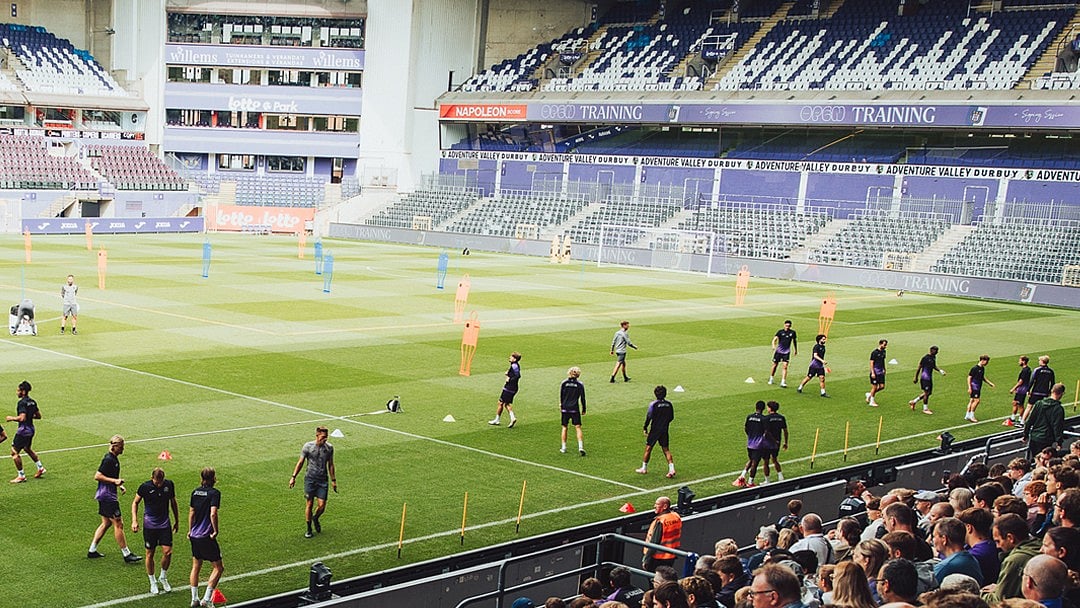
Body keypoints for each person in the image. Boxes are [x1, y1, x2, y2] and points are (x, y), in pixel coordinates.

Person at [88, 434, 142, 563]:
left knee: (106, 523)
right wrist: (115, 481)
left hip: (105, 494)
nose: (123, 449)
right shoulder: (109, 460)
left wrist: (119, 485)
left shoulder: (113, 458)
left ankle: (92, 550)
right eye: (122, 447)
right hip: (107, 497)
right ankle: (126, 554)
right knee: (118, 524)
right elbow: (97, 476)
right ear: (116, 447)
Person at [132, 467, 180, 595]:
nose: (159, 484)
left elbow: (173, 502)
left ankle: (163, 577)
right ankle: (152, 581)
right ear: (152, 478)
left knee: (168, 552)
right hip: (150, 525)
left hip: (164, 523)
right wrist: (134, 520)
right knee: (150, 554)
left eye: (161, 481)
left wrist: (177, 520)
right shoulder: (145, 487)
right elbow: (135, 503)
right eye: (157, 481)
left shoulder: (169, 485)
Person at [289, 426, 337, 539]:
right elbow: (300, 462)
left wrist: (333, 480)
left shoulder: (329, 448)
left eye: (326, 437)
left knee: (322, 505)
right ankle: (309, 528)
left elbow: (330, 464)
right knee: (309, 504)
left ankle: (315, 518)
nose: (325, 439)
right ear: (317, 435)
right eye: (323, 437)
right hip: (310, 479)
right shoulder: (308, 447)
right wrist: (293, 477)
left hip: (322, 480)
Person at [982, 513, 1042, 604]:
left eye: (998, 541)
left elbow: (1000, 600)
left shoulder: (1014, 560)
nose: (997, 546)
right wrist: (999, 587)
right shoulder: (1038, 546)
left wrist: (980, 594)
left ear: (1010, 538)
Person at [189, 467, 223, 608]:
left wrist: (190, 531)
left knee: (196, 565)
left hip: (194, 535)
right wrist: (215, 531)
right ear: (213, 478)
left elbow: (192, 513)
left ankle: (194, 599)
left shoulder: (195, 492)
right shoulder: (214, 493)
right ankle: (207, 599)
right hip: (206, 536)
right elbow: (213, 513)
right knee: (218, 567)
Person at [6, 380, 45, 483]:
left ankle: (21, 475)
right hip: (31, 429)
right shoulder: (32, 402)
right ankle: (40, 467)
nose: (17, 392)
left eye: (18, 390)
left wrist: (11, 418)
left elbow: (22, 418)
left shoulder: (21, 403)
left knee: (14, 453)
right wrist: (29, 416)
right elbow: (38, 416)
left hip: (23, 430)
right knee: (27, 448)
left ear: (23, 391)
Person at [637, 385, 676, 478]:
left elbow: (649, 416)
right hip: (664, 429)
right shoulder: (669, 404)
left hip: (655, 430)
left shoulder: (653, 404)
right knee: (666, 449)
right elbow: (671, 417)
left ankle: (644, 468)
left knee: (648, 448)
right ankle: (672, 469)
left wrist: (645, 427)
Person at [932, 517, 984, 585]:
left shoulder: (945, 567)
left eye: (934, 536)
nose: (933, 540)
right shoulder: (971, 559)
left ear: (944, 539)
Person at [1024, 384, 1066, 461]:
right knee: (1044, 460)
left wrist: (1025, 434)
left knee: (1036, 459)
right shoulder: (1058, 409)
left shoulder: (1039, 403)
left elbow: (1029, 420)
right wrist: (1059, 442)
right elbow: (1057, 426)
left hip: (1035, 437)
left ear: (1051, 391)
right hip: (1046, 438)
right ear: (1062, 393)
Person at [734, 400, 768, 488]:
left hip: (750, 443)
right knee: (755, 463)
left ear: (756, 407)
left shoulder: (749, 417)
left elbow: (745, 428)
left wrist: (750, 436)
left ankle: (741, 477)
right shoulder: (764, 419)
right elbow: (766, 432)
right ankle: (750, 482)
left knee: (751, 460)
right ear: (763, 408)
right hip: (759, 445)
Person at [643, 496, 682, 572]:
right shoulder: (676, 517)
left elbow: (654, 543)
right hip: (671, 557)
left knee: (655, 580)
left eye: (657, 504)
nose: (654, 506)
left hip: (657, 558)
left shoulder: (661, 521)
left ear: (665, 506)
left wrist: (646, 560)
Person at [909, 345, 945, 415]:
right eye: (936, 351)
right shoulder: (925, 358)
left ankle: (914, 401)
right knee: (926, 393)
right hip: (925, 378)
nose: (937, 352)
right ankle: (925, 409)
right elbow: (919, 367)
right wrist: (916, 377)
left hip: (929, 378)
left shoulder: (933, 357)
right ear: (931, 350)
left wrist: (940, 370)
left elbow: (933, 366)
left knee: (929, 393)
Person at [489, 352, 522, 428]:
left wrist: (509, 379)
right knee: (506, 403)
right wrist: (508, 373)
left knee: (501, 402)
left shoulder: (514, 366)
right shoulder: (514, 366)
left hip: (509, 387)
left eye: (511, 357)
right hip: (513, 388)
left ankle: (498, 419)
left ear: (515, 359)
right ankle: (509, 418)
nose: (509, 357)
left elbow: (517, 376)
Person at [559, 366, 587, 456]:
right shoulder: (580, 385)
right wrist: (584, 409)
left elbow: (561, 396)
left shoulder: (564, 383)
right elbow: (583, 398)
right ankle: (580, 447)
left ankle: (563, 447)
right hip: (574, 409)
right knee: (578, 427)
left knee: (564, 427)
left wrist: (561, 405)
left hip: (565, 408)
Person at [763, 401, 788, 484]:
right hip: (777, 442)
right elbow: (785, 431)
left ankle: (767, 480)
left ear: (770, 408)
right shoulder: (781, 417)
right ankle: (780, 476)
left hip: (767, 442)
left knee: (766, 461)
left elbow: (766, 432)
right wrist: (785, 442)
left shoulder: (766, 418)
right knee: (774, 459)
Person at [964, 355, 995, 423]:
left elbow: (982, 377)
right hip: (974, 386)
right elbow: (969, 378)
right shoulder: (975, 368)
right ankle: (971, 416)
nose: (987, 363)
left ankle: (967, 415)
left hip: (978, 387)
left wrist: (989, 383)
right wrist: (969, 387)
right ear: (982, 360)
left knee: (972, 400)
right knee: (977, 401)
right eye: (987, 362)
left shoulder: (982, 368)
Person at [769, 320, 798, 388]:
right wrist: (773, 345)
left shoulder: (792, 332)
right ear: (784, 325)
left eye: (789, 326)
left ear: (790, 326)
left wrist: (796, 350)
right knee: (775, 365)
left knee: (785, 366)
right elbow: (774, 339)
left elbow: (794, 341)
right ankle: (771, 378)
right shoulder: (780, 332)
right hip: (779, 351)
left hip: (786, 352)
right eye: (786, 325)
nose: (787, 327)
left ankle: (783, 381)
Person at [1006, 356, 1032, 427]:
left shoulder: (1025, 370)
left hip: (1022, 389)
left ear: (1023, 361)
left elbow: (1021, 381)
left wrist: (1013, 388)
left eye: (1020, 361)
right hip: (1023, 389)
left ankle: (1020, 419)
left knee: (1019, 404)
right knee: (1015, 403)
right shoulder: (1028, 369)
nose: (1018, 362)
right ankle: (1013, 417)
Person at [867, 339, 888, 407]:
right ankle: (872, 401)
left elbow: (883, 361)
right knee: (875, 387)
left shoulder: (884, 352)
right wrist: (872, 372)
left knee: (882, 387)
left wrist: (884, 369)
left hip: (881, 372)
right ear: (880, 344)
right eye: (884, 345)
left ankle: (870, 395)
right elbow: (871, 363)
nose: (885, 346)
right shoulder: (874, 353)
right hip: (875, 372)